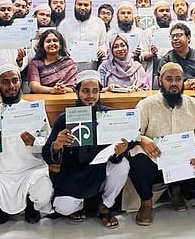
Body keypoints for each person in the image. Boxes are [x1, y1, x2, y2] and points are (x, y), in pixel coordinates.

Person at [129, 63, 195, 225]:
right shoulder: (146, 104)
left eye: (178, 79)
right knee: (137, 158)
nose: (174, 83)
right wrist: (142, 139)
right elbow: (130, 133)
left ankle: (178, 189)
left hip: (184, 162)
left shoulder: (194, 104)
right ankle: (146, 203)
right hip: (155, 161)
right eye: (169, 79)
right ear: (160, 80)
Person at [43, 70, 131, 227]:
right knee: (63, 208)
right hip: (73, 173)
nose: (90, 96)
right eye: (85, 91)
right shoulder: (65, 119)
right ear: (77, 92)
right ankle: (80, 205)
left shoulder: (110, 116)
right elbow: (47, 153)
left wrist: (120, 150)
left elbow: (124, 144)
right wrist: (57, 145)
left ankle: (105, 206)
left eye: (95, 91)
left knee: (123, 165)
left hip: (100, 169)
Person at [0, 65, 53, 224]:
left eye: (15, 80)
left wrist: (35, 142)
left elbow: (48, 141)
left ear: (21, 82)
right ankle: (2, 207)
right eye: (5, 82)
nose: (11, 86)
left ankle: (30, 205)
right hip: (1, 174)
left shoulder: (33, 110)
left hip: (32, 170)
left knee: (43, 193)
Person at [57, 0, 108, 70]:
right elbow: (59, 45)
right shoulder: (64, 24)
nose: (82, 7)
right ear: (74, 5)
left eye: (86, 5)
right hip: (69, 69)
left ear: (91, 6)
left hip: (93, 67)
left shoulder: (99, 23)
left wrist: (102, 50)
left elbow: (103, 44)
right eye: (79, 4)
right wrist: (63, 51)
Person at [157, 22, 195, 89]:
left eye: (179, 35)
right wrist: (182, 86)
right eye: (173, 36)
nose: (175, 38)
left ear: (188, 38)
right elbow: (160, 82)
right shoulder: (166, 59)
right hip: (175, 96)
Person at [26, 29, 77, 94]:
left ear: (61, 45)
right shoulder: (35, 63)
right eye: (48, 41)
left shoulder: (69, 63)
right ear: (42, 46)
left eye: (55, 41)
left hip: (65, 98)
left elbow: (73, 88)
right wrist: (52, 90)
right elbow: (34, 86)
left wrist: (63, 89)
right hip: (42, 99)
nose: (52, 43)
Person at [107, 2, 154, 71]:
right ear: (117, 15)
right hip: (115, 70)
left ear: (133, 16)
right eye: (123, 13)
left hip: (138, 70)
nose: (126, 16)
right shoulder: (110, 34)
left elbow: (144, 53)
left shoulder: (140, 32)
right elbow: (108, 54)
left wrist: (138, 55)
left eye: (129, 13)